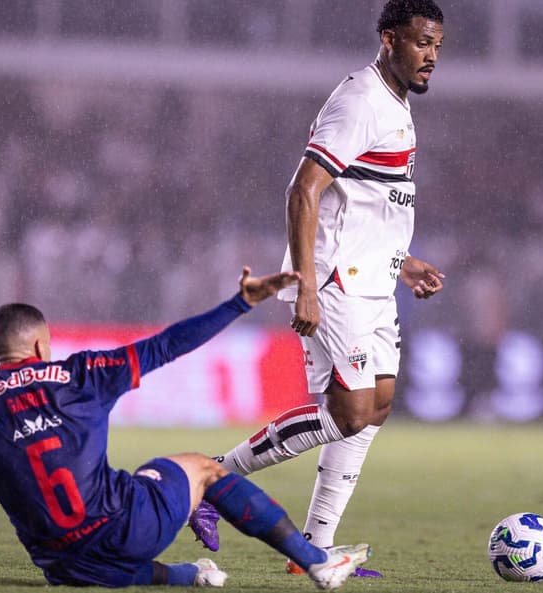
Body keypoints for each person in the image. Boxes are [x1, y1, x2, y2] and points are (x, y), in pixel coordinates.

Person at [189, 0, 445, 578]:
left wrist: (402, 261)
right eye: (420, 43)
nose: (430, 56)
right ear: (388, 40)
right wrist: (304, 284)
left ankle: (314, 552)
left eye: (437, 46)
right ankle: (209, 476)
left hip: (374, 279)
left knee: (374, 408)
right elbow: (303, 191)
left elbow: (365, 204)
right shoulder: (359, 101)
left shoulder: (395, 103)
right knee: (349, 411)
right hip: (334, 281)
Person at [0, 266, 371, 589]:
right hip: (125, 530)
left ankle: (190, 576)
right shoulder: (80, 374)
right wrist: (241, 302)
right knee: (201, 468)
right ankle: (316, 562)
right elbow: (168, 345)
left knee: (97, 555)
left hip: (61, 564)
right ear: (39, 344)